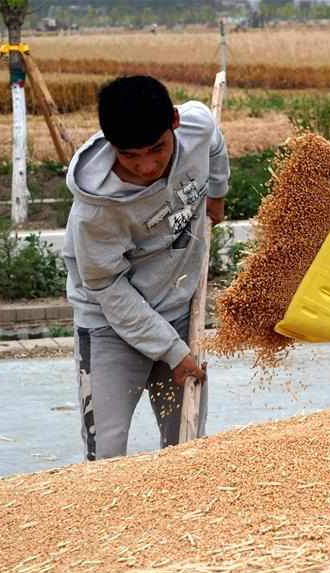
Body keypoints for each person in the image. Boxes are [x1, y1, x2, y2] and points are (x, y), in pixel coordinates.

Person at [62, 75, 230, 460]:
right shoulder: (96, 210)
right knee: (106, 452)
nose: (147, 166)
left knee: (185, 449)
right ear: (110, 145)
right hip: (109, 326)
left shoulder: (196, 125)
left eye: (157, 149)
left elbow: (215, 144)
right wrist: (172, 352)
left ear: (173, 121)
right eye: (130, 156)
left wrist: (217, 195)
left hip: (180, 310)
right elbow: (108, 289)